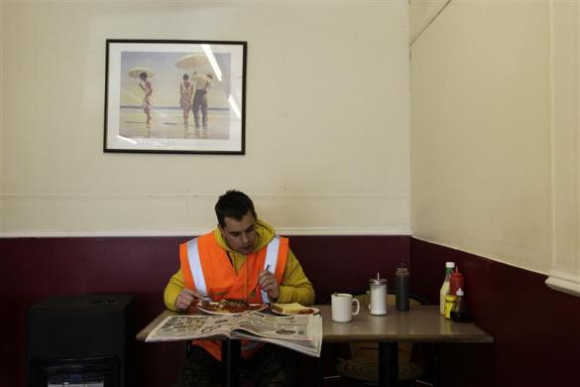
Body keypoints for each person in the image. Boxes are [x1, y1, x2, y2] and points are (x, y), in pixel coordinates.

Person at [164, 190, 315, 387]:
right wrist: (177, 299)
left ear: (256, 221)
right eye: (236, 234)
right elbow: (172, 289)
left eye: (250, 230)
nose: (245, 240)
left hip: (264, 343)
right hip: (213, 346)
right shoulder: (200, 250)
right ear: (221, 230)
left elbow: (308, 294)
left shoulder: (276, 248)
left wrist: (280, 292)